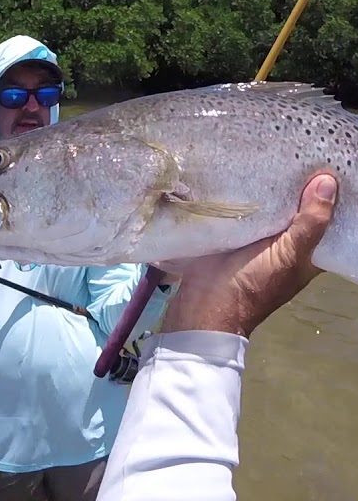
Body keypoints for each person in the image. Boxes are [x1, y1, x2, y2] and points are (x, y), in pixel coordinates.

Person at [0, 34, 174, 501]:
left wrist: (162, 276)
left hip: (88, 434)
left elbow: (116, 320)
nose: (30, 107)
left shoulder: (98, 187)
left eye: (44, 95)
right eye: (13, 95)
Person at [96, 172, 341, 501]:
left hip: (91, 439)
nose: (29, 115)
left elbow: (111, 317)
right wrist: (214, 309)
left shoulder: (98, 237)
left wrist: (184, 291)